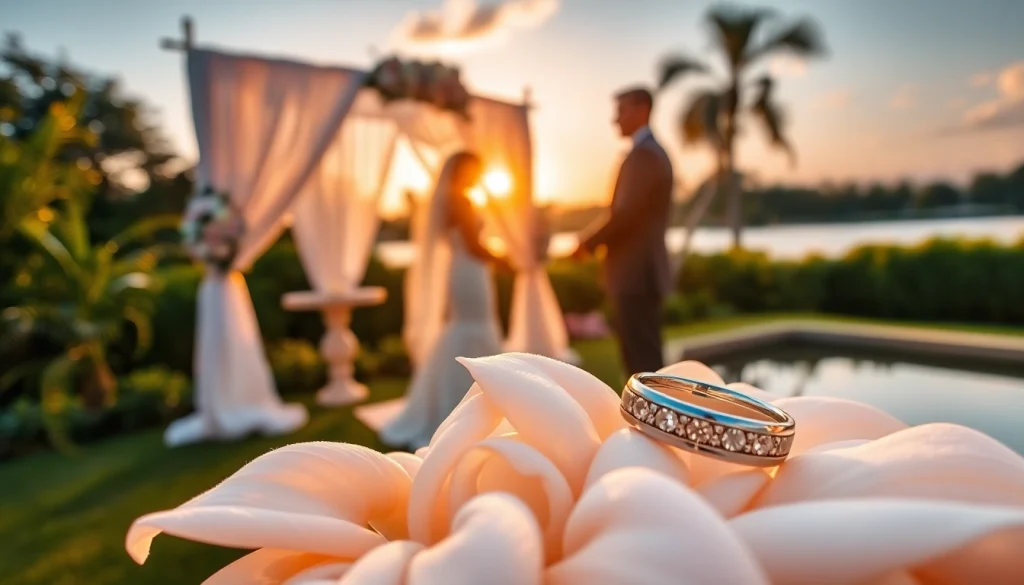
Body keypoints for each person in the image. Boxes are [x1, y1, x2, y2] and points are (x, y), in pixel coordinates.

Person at [380, 151, 510, 450]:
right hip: (471, 271)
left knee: (464, 327)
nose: (477, 177)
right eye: (473, 171)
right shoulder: (461, 201)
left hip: (463, 270)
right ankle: (464, 400)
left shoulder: (451, 200)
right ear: (460, 171)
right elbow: (474, 245)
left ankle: (463, 396)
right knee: (471, 327)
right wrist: (502, 259)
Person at [571, 86, 674, 375]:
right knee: (641, 355)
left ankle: (649, 420)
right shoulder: (650, 153)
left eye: (621, 111)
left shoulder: (645, 156)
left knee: (642, 362)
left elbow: (625, 215)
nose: (615, 120)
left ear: (641, 110)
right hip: (639, 273)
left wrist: (586, 243)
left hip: (636, 273)